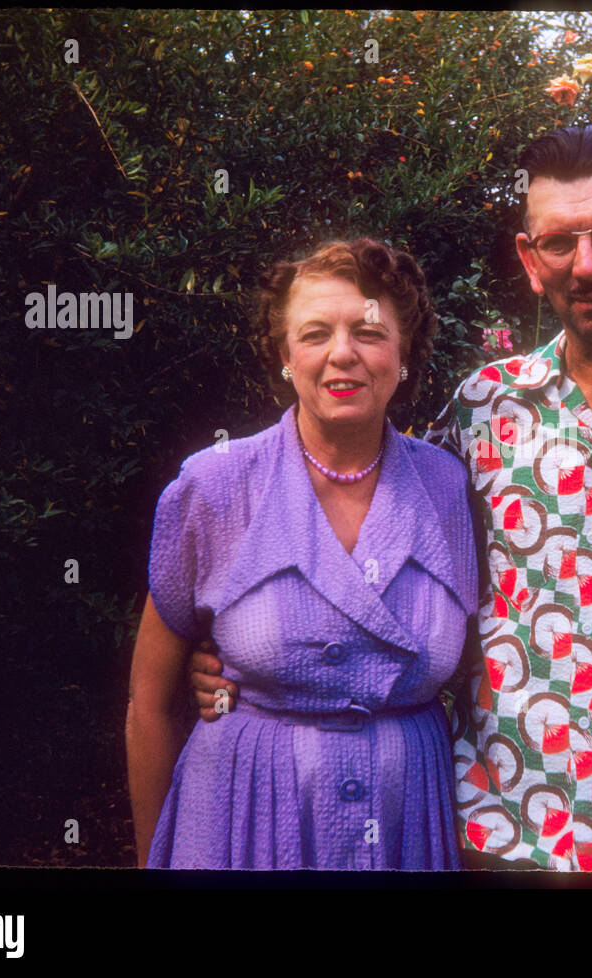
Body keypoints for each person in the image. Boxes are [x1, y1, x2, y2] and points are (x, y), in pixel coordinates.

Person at [192, 126, 592, 872]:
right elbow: (382, 567)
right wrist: (242, 655)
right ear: (530, 260)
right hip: (498, 847)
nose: (588, 264)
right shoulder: (482, 413)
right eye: (559, 242)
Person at [127, 238, 478, 869]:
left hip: (405, 831)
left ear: (404, 354)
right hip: (243, 825)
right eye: (315, 333)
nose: (342, 353)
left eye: (369, 332)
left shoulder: (450, 486)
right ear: (285, 356)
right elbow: (148, 704)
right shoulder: (215, 486)